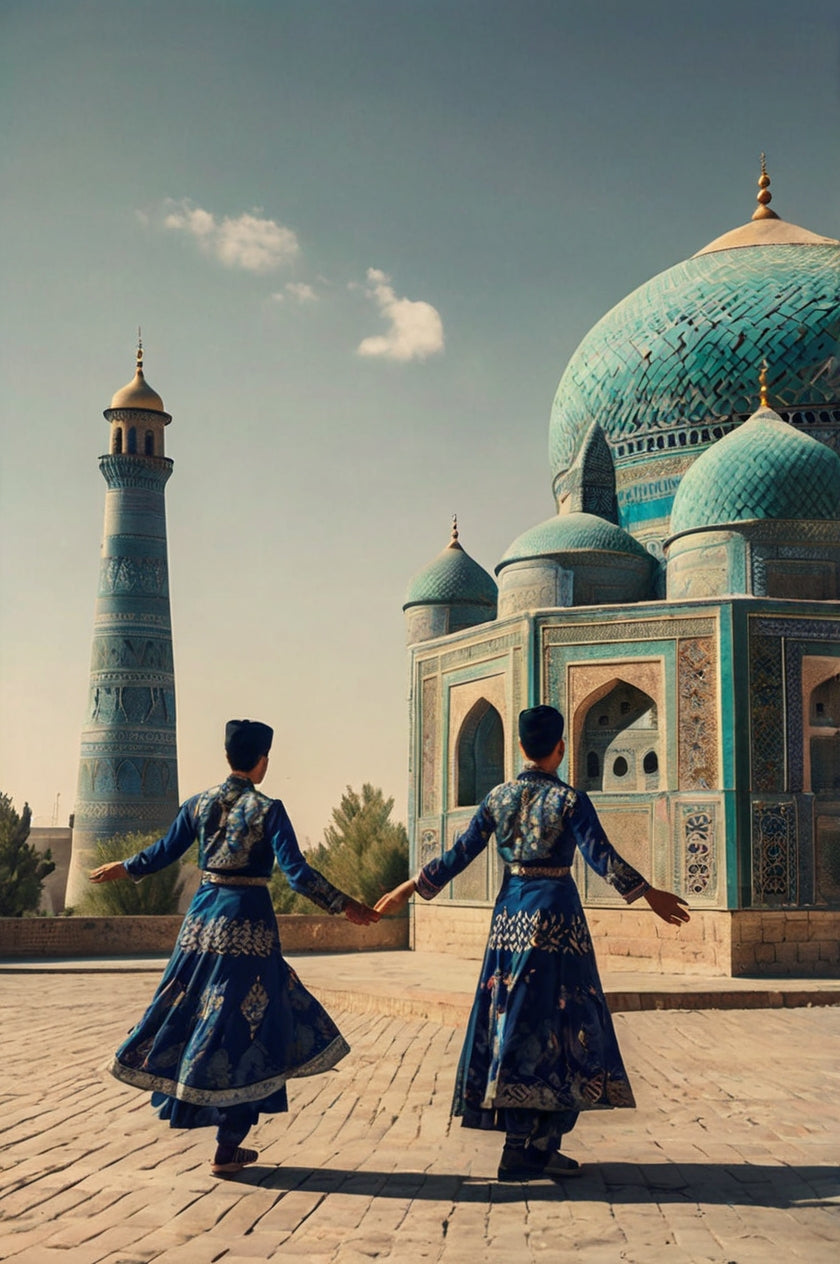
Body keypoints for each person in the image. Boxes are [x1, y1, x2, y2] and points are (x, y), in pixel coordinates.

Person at [375, 705, 690, 1182]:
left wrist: (410, 886)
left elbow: (459, 854)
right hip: (557, 923)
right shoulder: (570, 801)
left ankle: (533, 1143)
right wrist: (649, 894)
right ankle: (530, 1145)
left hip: (510, 921)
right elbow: (600, 856)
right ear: (560, 749)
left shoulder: (498, 798)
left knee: (514, 1020)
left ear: (520, 748)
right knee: (563, 1024)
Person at [90, 718, 380, 1175]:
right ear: (261, 760)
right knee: (252, 1023)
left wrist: (123, 867)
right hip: (249, 925)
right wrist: (347, 906)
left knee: (192, 1009)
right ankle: (229, 1143)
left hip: (201, 923)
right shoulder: (268, 809)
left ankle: (202, 1110)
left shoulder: (198, 805)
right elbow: (298, 874)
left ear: (228, 757)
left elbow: (164, 852)